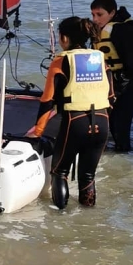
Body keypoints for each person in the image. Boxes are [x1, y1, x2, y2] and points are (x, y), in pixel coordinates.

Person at [29, 16, 111, 209]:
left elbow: (47, 100)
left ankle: (60, 220)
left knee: (59, 171)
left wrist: (38, 132)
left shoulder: (60, 62)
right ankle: (88, 217)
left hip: (75, 122)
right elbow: (112, 95)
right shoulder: (100, 59)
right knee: (88, 175)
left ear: (64, 38)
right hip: (102, 121)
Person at [90, 0, 133, 152]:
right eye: (93, 14)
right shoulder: (101, 28)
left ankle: (124, 155)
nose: (95, 19)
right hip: (110, 79)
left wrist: (120, 87)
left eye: (100, 15)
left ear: (112, 13)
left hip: (128, 79)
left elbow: (130, 63)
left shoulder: (121, 30)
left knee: (120, 125)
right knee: (106, 121)